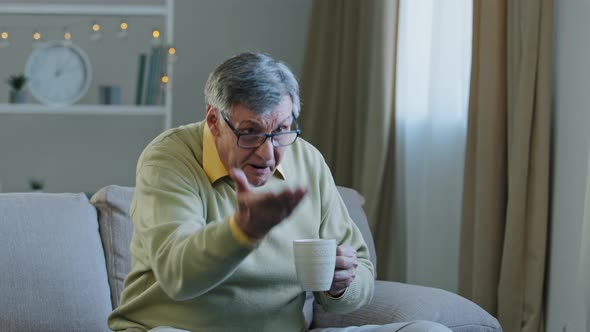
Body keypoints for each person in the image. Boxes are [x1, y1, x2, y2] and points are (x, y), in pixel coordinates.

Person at [108, 52, 451, 332]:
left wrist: (341, 284)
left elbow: (360, 271)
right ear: (214, 121)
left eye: (282, 131)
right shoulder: (170, 157)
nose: (268, 154)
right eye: (250, 132)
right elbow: (178, 276)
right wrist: (242, 231)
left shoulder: (307, 160)